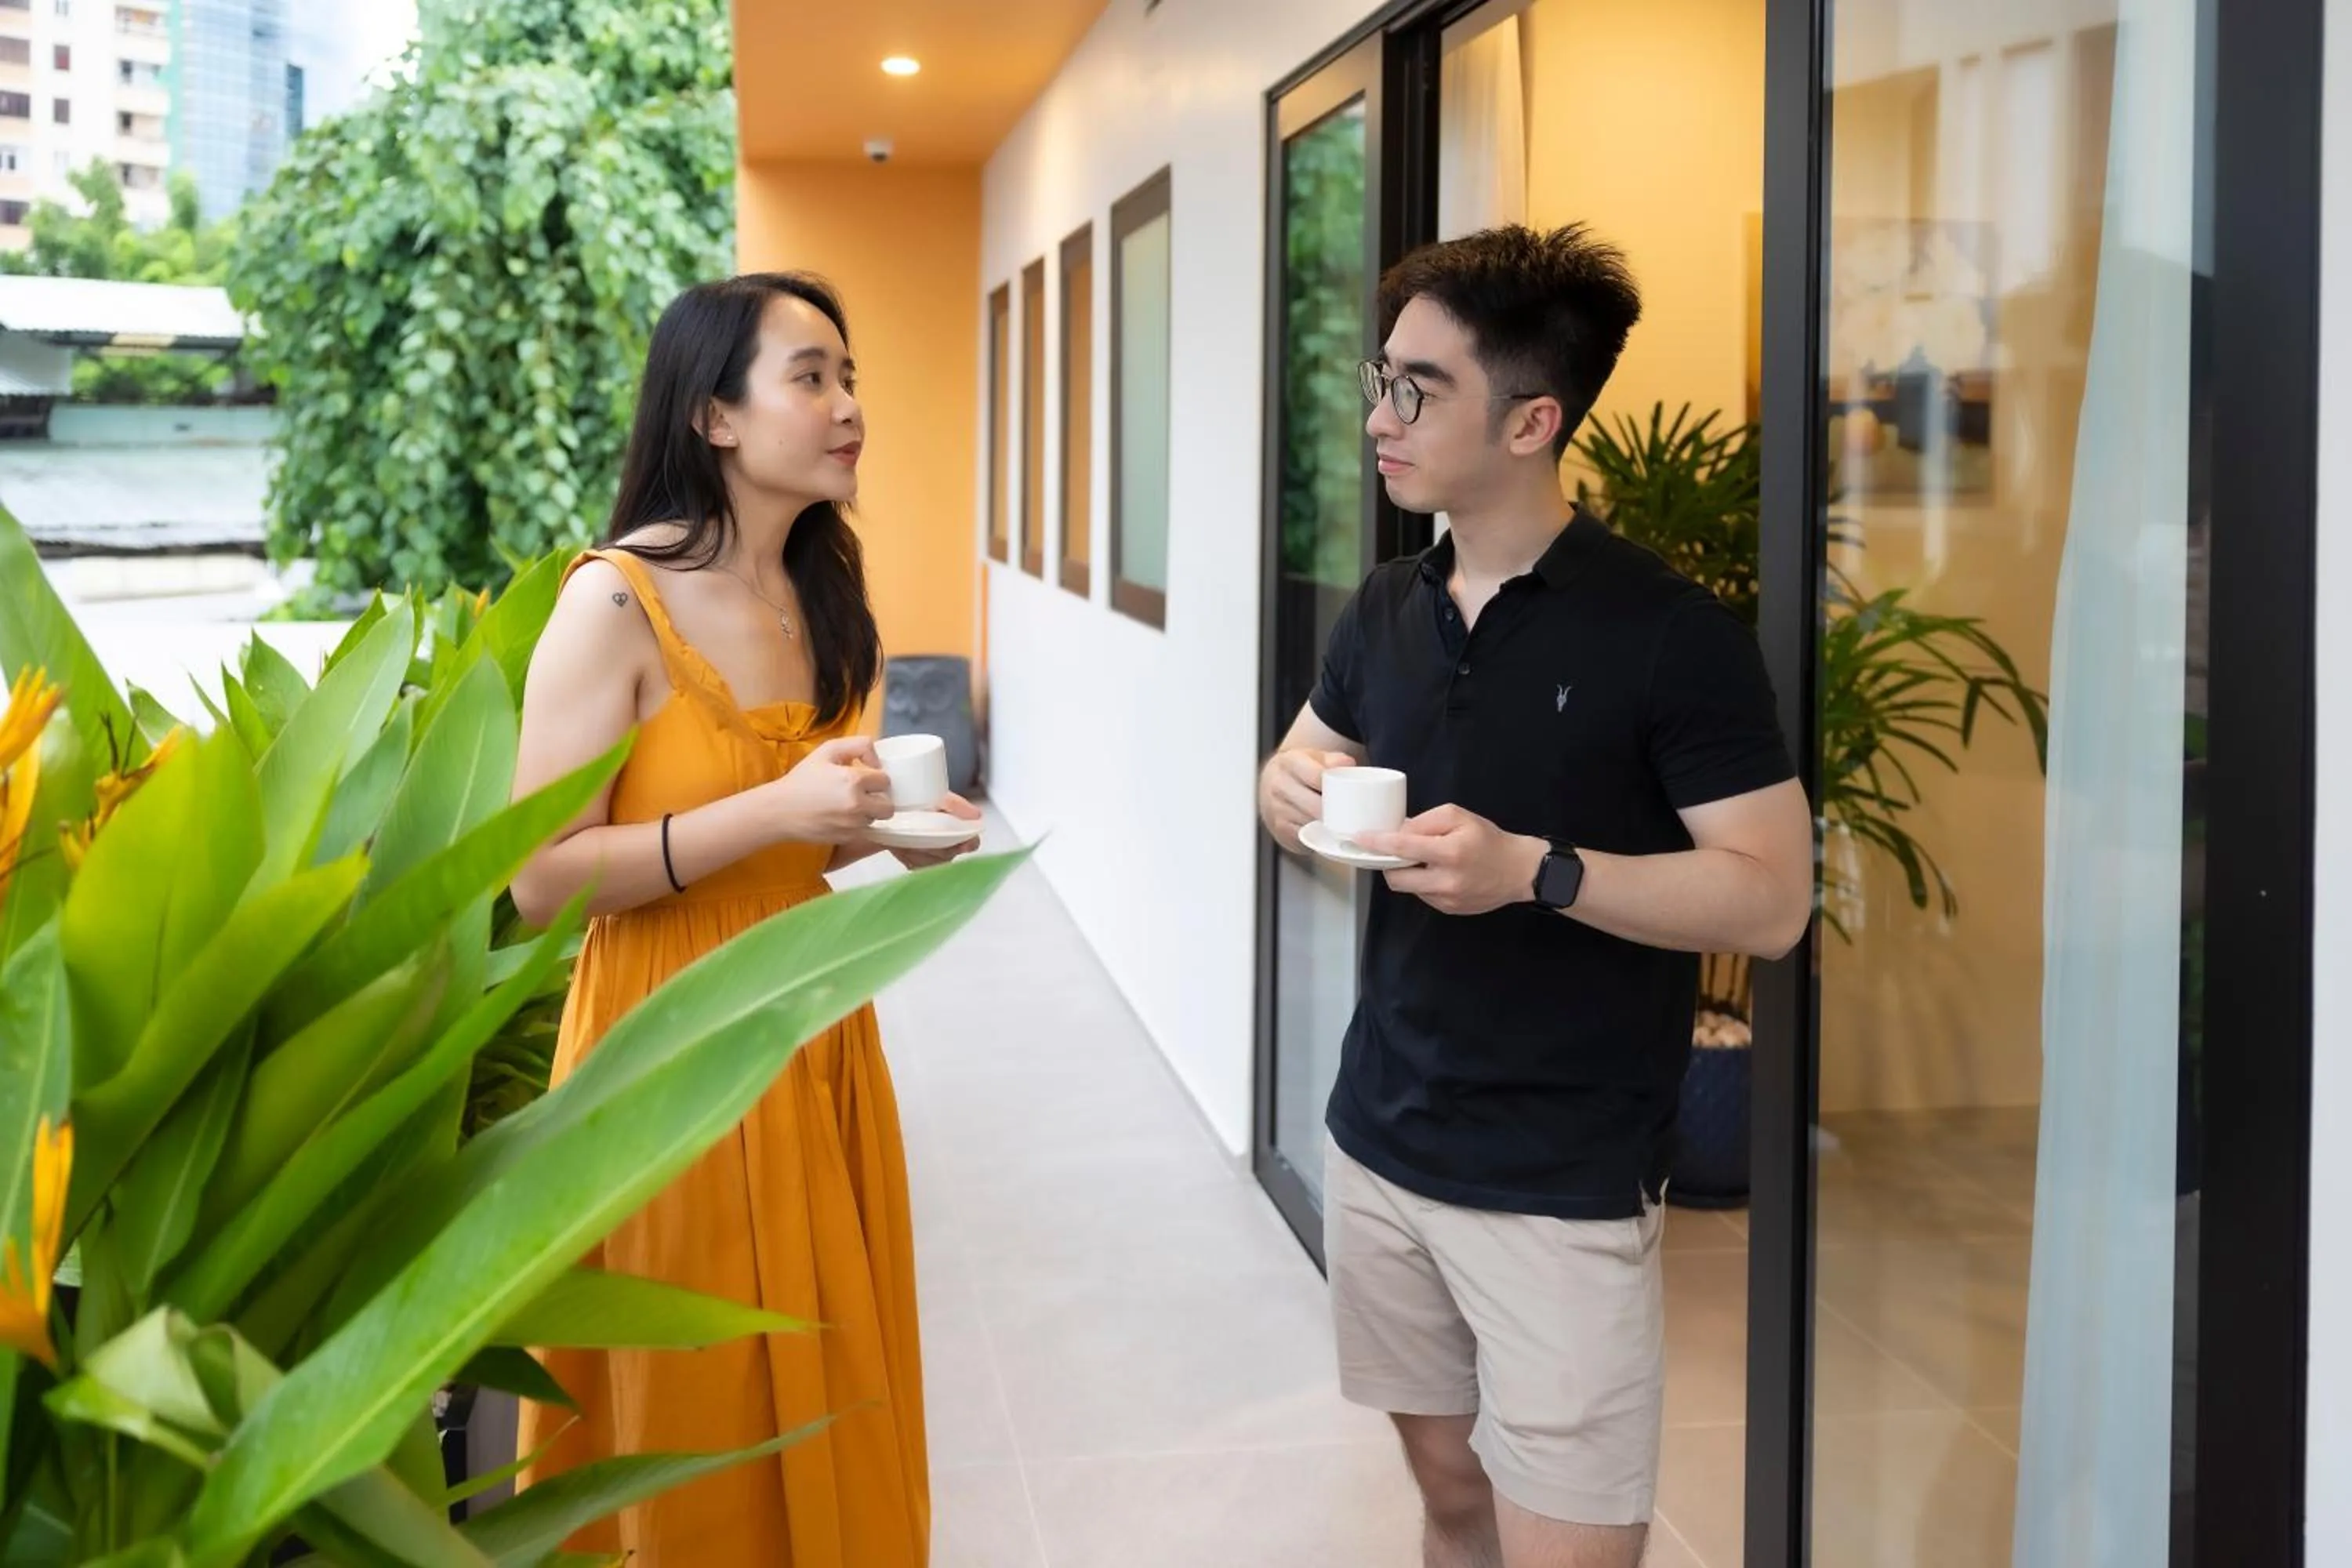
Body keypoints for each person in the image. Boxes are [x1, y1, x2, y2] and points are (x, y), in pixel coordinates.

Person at [1256, 224, 1813, 1568]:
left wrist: (1537, 872)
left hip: (1560, 1179)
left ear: (1534, 420)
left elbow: (1770, 900)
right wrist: (1286, 793)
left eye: (1419, 389)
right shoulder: (1388, 603)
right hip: (1379, 1133)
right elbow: (1302, 756)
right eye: (1381, 378)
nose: (1378, 417)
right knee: (1451, 1503)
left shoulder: (1673, 635)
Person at [507, 271, 978, 1566]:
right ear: (713, 415)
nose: (848, 408)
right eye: (811, 376)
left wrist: (885, 834)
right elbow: (540, 878)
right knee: (698, 1396)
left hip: (813, 1023)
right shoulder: (613, 601)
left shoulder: (818, 593)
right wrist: (775, 811)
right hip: (666, 1042)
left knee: (828, 1362)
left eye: (849, 376)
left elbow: (795, 836)